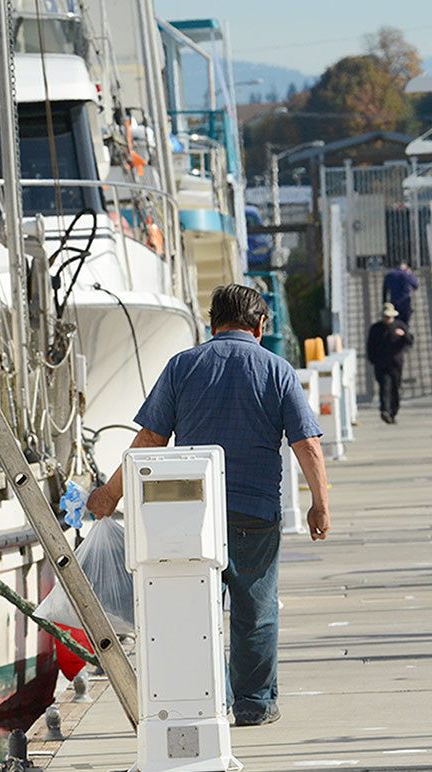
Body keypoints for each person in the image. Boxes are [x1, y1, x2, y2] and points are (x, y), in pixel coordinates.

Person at [87, 284, 331, 728]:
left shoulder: (183, 366)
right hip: (255, 513)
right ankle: (254, 705)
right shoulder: (276, 369)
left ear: (211, 324)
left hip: (189, 516)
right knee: (255, 613)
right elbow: (307, 445)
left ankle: (204, 701)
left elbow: (148, 442)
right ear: (260, 326)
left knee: (193, 610)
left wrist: (110, 494)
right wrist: (320, 504)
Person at [366, 302, 413, 424]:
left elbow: (409, 342)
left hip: (396, 364)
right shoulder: (375, 328)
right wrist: (372, 359)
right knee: (384, 387)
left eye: (390, 317)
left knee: (395, 388)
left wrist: (404, 335)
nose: (388, 319)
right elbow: (370, 346)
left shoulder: (400, 326)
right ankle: (385, 411)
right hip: (380, 364)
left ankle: (393, 411)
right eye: (386, 316)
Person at [382, 261, 419, 326]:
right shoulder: (406, 274)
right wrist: (410, 273)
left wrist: (384, 303)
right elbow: (415, 285)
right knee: (405, 325)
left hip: (393, 303)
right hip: (405, 303)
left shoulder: (389, 275)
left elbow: (384, 291)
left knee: (394, 324)